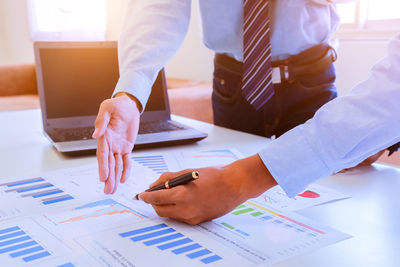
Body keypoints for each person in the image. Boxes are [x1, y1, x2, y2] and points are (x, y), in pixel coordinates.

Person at [137, 33, 400, 225]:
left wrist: (237, 180)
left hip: (311, 70)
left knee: (320, 206)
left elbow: (391, 93)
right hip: (234, 76)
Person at [93, 0, 346, 194]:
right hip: (235, 79)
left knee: (319, 191)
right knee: (232, 191)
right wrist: (130, 93)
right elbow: (157, 8)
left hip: (311, 74)